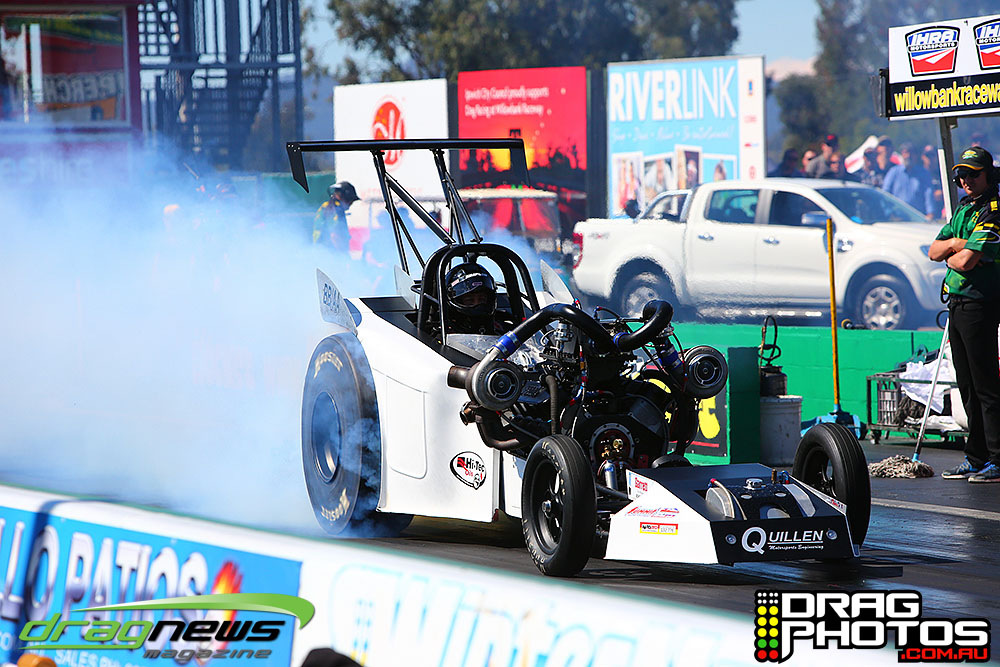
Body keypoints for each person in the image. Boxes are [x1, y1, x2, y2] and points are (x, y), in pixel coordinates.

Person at [928, 146, 1000, 483]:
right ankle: (976, 457)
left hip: (980, 304)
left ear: (988, 175)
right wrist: (959, 243)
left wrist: (956, 249)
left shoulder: (993, 211)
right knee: (967, 386)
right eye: (961, 175)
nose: (966, 180)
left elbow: (965, 261)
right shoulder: (963, 208)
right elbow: (934, 251)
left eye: (973, 174)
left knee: (986, 386)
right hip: (956, 304)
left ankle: (997, 459)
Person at [443, 262, 505, 335]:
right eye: (469, 300)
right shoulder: (442, 334)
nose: (477, 304)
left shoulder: (502, 329)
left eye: (482, 299)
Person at [882, 143, 934, 217]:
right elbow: (885, 193)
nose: (908, 156)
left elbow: (928, 194)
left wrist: (930, 213)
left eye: (911, 153)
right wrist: (889, 213)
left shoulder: (924, 173)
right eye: (905, 153)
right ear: (902, 155)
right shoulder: (893, 172)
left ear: (916, 156)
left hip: (918, 217)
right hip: (897, 217)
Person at [313, 181, 358, 250]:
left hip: (320, 248)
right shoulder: (337, 209)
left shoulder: (326, 206)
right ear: (346, 197)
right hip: (329, 250)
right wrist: (342, 253)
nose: (351, 203)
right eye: (351, 200)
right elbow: (334, 235)